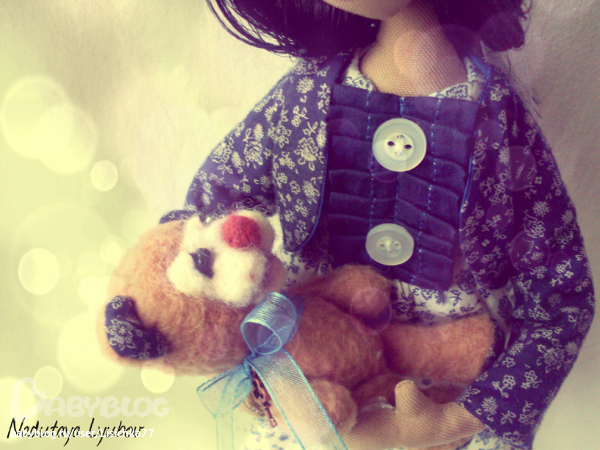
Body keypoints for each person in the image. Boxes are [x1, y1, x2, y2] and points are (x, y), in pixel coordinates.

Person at [161, 0, 595, 448]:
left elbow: (559, 290)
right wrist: (203, 311)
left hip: (447, 374)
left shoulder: (498, 117)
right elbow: (206, 215)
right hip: (311, 358)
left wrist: (459, 418)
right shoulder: (305, 96)